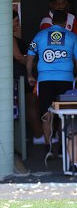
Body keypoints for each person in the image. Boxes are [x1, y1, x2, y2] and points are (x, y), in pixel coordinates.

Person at [27, 10, 77, 147]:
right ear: (66, 22)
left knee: (46, 114)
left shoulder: (40, 36)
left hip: (45, 80)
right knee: (66, 114)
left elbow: (30, 57)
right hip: (66, 80)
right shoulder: (72, 37)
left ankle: (48, 148)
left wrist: (30, 75)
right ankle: (66, 149)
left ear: (52, 21)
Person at [13, 10, 45, 145]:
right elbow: (19, 57)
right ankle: (38, 135)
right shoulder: (9, 37)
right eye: (15, 21)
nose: (18, 24)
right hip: (20, 77)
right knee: (31, 104)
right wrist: (36, 63)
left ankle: (36, 135)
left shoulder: (12, 37)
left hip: (21, 76)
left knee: (29, 104)